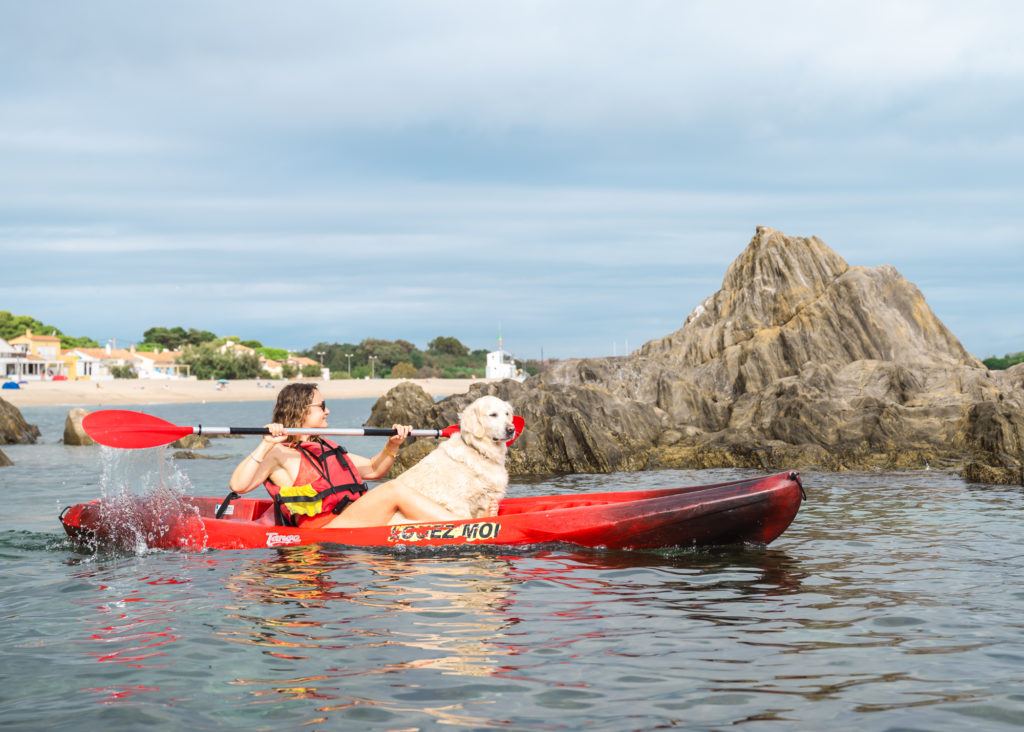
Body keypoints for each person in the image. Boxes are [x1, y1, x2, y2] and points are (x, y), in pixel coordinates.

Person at [229, 382, 457, 528]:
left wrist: (393, 445)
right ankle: (467, 526)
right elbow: (238, 486)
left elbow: (374, 469)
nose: (328, 411)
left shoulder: (324, 446)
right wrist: (265, 444)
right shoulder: (279, 451)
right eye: (322, 406)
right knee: (393, 489)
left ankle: (457, 521)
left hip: (348, 520)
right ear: (300, 410)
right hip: (324, 531)